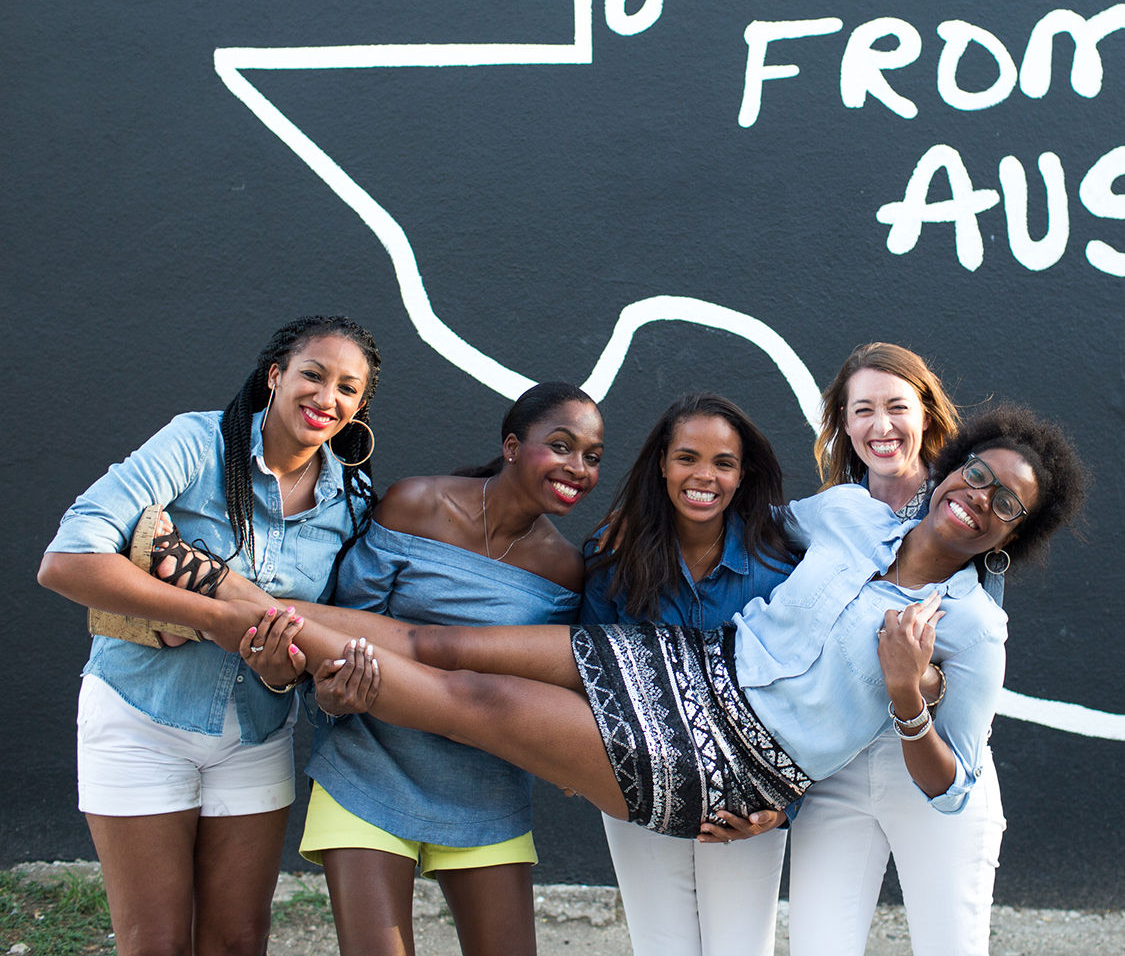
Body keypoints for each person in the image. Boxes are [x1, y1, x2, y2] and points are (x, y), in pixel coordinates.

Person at [141, 404, 1086, 866]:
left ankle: (204, 614)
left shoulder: (968, 629)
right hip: (687, 665)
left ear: (1015, 530)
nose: (979, 500)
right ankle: (221, 588)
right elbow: (722, 504)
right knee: (430, 640)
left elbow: (955, 788)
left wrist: (906, 703)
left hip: (729, 762)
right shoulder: (842, 516)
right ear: (950, 470)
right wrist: (651, 517)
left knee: (472, 703)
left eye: (1005, 503)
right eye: (976, 476)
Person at [38, 315, 382, 956]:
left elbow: (313, 646)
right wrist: (219, 616)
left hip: (254, 736)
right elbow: (67, 560)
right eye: (312, 374)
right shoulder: (197, 443)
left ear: (360, 404)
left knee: (237, 941)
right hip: (141, 719)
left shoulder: (351, 502)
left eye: (347, 388)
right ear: (276, 376)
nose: (325, 398)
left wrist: (306, 679)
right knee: (156, 943)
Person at [299, 382, 604, 956]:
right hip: (368, 769)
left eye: (592, 456)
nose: (579, 467)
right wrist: (333, 696)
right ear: (513, 446)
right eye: (561, 446)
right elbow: (342, 628)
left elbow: (544, 683)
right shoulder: (416, 503)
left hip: (484, 786)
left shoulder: (566, 570)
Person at [785, 342, 1006, 956]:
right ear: (842, 423)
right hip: (836, 767)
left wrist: (923, 682)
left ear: (928, 415)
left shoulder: (965, 510)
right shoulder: (827, 513)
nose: (880, 427)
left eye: (896, 407)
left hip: (934, 763)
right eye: (862, 410)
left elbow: (972, 658)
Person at [580, 393, 796, 956]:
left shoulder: (781, 571)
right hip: (640, 790)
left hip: (744, 802)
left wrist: (782, 808)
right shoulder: (612, 560)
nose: (704, 476)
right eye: (687, 458)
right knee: (661, 947)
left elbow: (807, 699)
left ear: (744, 474)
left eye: (723, 463)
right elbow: (585, 671)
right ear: (661, 463)